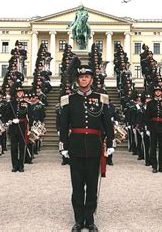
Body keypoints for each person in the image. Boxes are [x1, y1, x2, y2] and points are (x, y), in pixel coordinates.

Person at [59, 65, 115, 232]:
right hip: (75, 146)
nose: (84, 79)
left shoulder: (101, 98)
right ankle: (78, 220)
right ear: (78, 80)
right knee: (77, 185)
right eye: (81, 77)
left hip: (94, 146)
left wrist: (110, 143)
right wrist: (64, 145)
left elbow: (107, 124)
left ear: (91, 79)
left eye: (87, 77)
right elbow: (63, 125)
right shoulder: (68, 99)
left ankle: (89, 220)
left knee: (91, 185)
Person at [144, 86, 162, 173]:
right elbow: (147, 116)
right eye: (156, 91)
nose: (158, 93)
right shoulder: (150, 103)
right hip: (153, 126)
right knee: (153, 147)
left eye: (159, 91)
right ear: (154, 92)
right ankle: (154, 166)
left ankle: (161, 166)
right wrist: (147, 128)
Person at [4, 86, 29, 172]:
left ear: (23, 93)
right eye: (18, 92)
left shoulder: (26, 103)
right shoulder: (11, 103)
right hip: (13, 127)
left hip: (22, 127)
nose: (19, 93)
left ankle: (21, 166)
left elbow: (29, 115)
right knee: (14, 147)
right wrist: (11, 120)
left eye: (21, 92)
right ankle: (15, 165)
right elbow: (6, 114)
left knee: (22, 147)